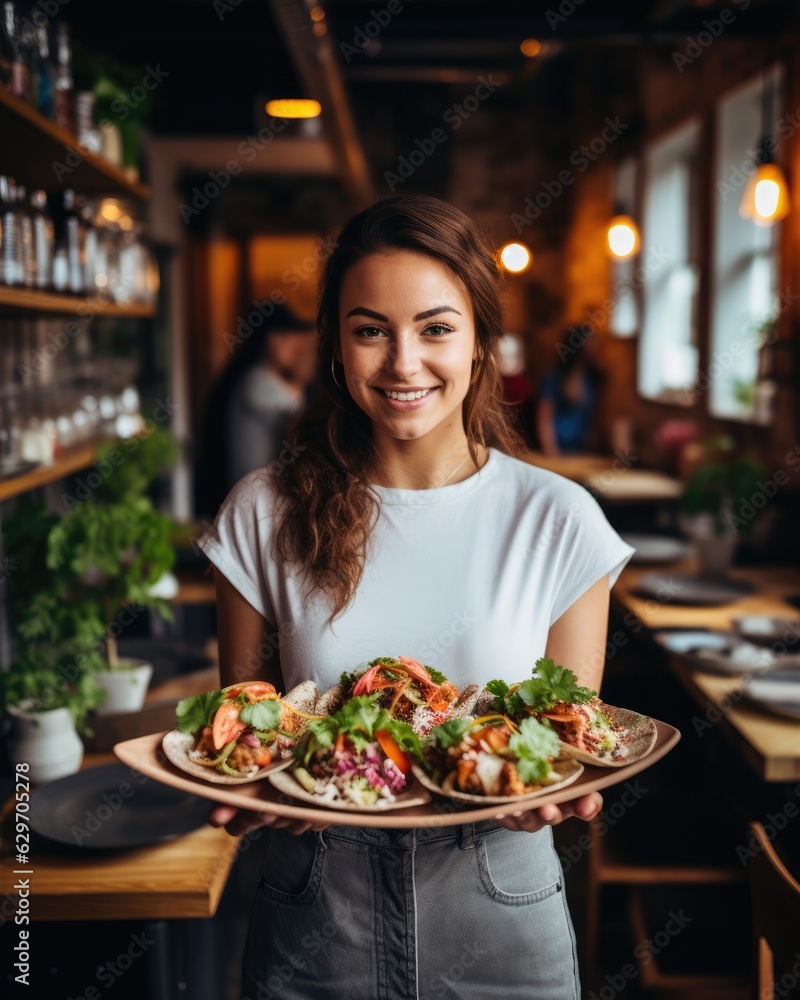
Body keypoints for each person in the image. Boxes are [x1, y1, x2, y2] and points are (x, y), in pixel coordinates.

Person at [197, 195, 635, 1000]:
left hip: (501, 902)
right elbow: (248, 722)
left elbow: (572, 741)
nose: (403, 363)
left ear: (479, 345)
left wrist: (555, 793)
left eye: (435, 328)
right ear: (336, 346)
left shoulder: (559, 520)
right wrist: (255, 792)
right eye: (371, 330)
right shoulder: (260, 511)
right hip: (314, 906)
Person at [194, 304, 318, 516]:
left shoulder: (251, 378)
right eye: (287, 336)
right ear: (270, 340)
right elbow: (304, 421)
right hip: (252, 502)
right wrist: (302, 376)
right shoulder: (258, 380)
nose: (295, 344)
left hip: (252, 497)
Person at [536, 335, 600, 456]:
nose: (594, 349)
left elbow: (593, 415)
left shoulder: (591, 378)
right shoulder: (554, 377)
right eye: (590, 345)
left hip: (582, 449)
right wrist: (550, 449)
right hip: (557, 448)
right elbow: (545, 416)